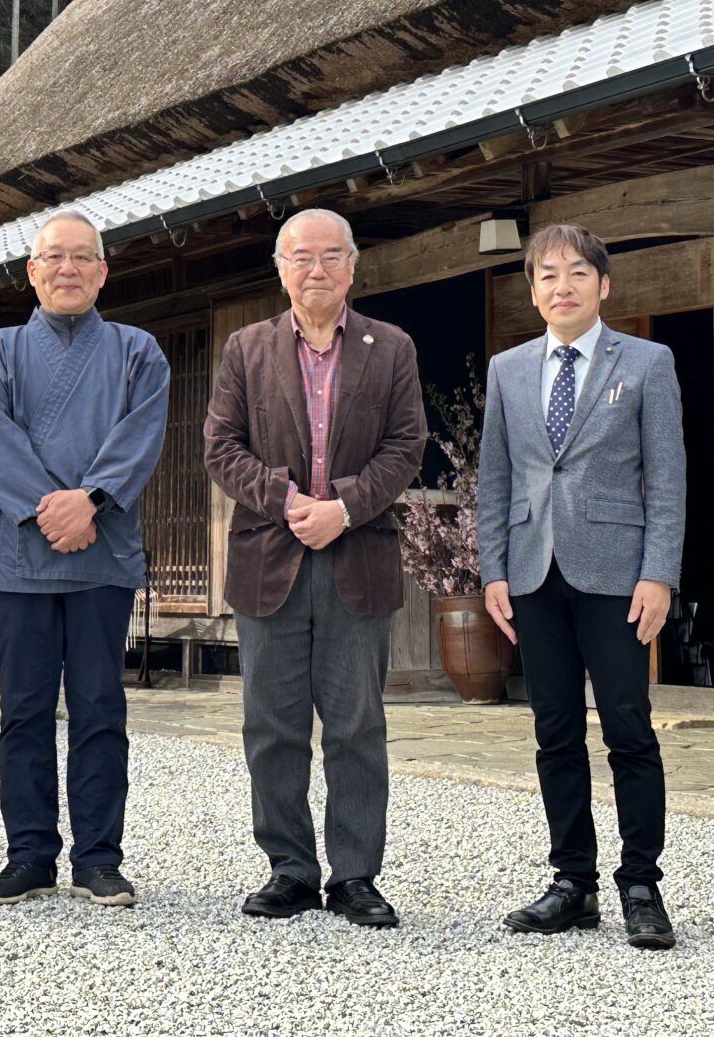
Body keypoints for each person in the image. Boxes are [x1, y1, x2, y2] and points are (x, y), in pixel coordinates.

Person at [204, 207, 427, 929]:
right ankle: (291, 868)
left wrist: (347, 506)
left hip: (358, 555)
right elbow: (221, 448)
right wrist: (288, 499)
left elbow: (406, 446)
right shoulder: (247, 348)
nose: (317, 270)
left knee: (357, 723)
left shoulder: (389, 347)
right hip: (270, 557)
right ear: (281, 267)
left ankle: (356, 875)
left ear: (353, 266)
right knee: (272, 722)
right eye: (302, 257)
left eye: (332, 256)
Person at [476, 223, 686, 950]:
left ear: (603, 283)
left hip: (617, 573)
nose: (560, 287)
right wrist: (493, 569)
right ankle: (573, 883)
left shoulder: (648, 362)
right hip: (533, 571)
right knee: (554, 730)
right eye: (545, 276)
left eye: (574, 274)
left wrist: (659, 572)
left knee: (628, 727)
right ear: (532, 291)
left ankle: (641, 884)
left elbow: (667, 477)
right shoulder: (508, 369)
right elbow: (495, 479)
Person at [0, 210, 170, 908]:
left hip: (102, 552)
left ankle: (99, 856)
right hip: (25, 556)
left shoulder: (139, 351)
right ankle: (28, 854)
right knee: (22, 709)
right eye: (54, 257)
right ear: (32, 269)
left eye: (83, 257)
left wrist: (92, 500)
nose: (68, 269)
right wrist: (53, 508)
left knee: (98, 706)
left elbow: (140, 437)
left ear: (103, 271)